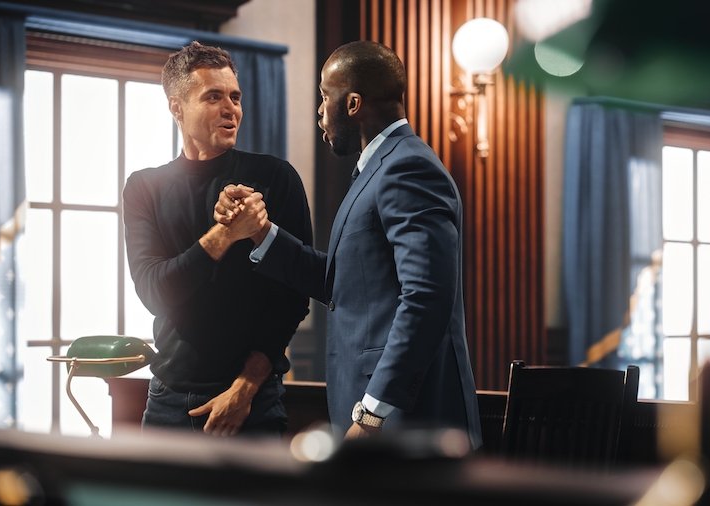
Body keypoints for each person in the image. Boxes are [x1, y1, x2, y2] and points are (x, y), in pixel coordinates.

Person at [215, 40, 482, 449]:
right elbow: (340, 282)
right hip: (376, 415)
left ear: (353, 103)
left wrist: (374, 410)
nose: (320, 110)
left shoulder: (407, 167)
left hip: (408, 423)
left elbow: (426, 298)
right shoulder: (379, 168)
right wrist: (260, 231)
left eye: (325, 96)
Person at [123, 41, 313, 437]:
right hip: (168, 402)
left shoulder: (276, 178)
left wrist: (244, 390)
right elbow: (155, 293)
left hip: (255, 402)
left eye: (235, 96)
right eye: (213, 97)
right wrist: (224, 236)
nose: (231, 109)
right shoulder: (144, 187)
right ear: (176, 107)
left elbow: (293, 299)